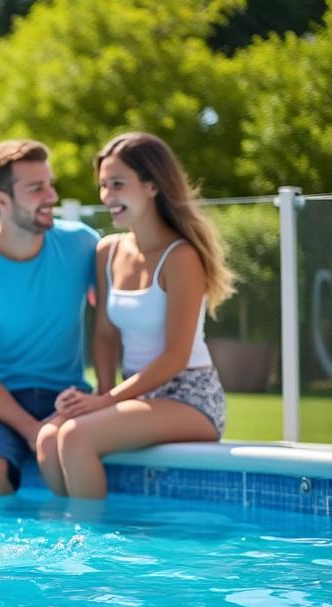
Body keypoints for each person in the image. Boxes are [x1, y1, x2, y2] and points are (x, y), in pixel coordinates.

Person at [36, 132, 233, 498]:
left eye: (118, 185)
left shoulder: (181, 257)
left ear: (152, 186)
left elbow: (175, 356)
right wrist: (102, 391)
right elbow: (106, 334)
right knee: (48, 438)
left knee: (77, 437)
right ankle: (69, 537)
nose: (107, 196)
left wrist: (104, 404)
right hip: (133, 396)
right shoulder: (108, 251)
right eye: (103, 186)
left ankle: (95, 552)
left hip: (189, 397)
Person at [0, 139, 100, 495]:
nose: (52, 196)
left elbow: (112, 320)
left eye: (50, 184)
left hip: (69, 396)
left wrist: (106, 395)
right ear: (1, 200)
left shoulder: (83, 245)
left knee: (73, 454)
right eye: (36, 188)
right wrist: (33, 431)